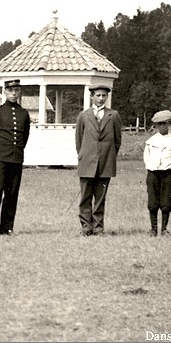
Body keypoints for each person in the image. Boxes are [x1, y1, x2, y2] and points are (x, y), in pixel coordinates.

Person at [0, 79, 31, 237]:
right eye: (11, 91)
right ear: (5, 92)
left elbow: (25, 138)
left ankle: (6, 228)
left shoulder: (24, 113)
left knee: (12, 194)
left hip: (16, 159)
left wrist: (18, 152)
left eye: (17, 90)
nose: (14, 93)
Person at [75, 84, 122, 236]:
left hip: (105, 163)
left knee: (100, 198)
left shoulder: (113, 115)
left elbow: (117, 141)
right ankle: (86, 228)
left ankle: (98, 228)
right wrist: (85, 155)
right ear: (92, 96)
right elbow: (79, 140)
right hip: (87, 162)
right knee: (85, 197)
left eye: (104, 96)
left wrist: (108, 156)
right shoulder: (84, 115)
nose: (101, 99)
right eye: (98, 95)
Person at [144, 110, 171, 237]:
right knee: (153, 200)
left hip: (168, 174)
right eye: (158, 124)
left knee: (166, 200)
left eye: (164, 124)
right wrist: (152, 167)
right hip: (153, 173)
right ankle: (153, 228)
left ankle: (164, 229)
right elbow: (147, 157)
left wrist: (169, 166)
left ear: (169, 124)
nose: (161, 126)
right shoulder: (151, 141)